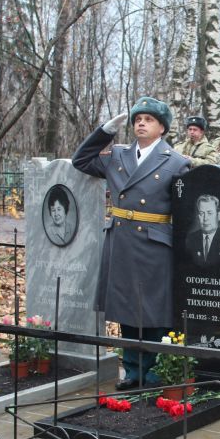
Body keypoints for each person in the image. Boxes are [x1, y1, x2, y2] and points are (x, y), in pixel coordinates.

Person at [72, 96, 189, 391]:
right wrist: (105, 132)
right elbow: (81, 160)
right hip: (122, 240)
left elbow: (185, 212)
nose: (141, 124)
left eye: (149, 120)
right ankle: (133, 371)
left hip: (155, 244)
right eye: (138, 119)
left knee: (154, 311)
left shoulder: (177, 162)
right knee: (127, 310)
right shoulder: (117, 155)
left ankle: (154, 373)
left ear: (162, 128)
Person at [185, 194, 220, 267]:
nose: (205, 218)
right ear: (198, 216)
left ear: (218, 216)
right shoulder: (191, 238)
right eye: (201, 213)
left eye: (210, 213)